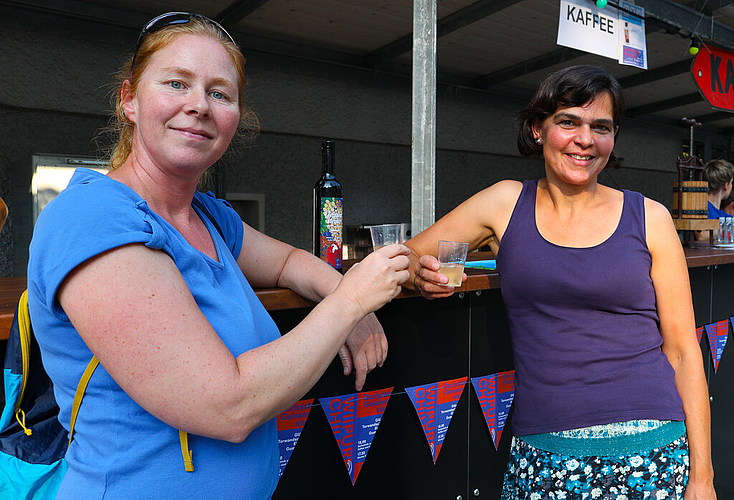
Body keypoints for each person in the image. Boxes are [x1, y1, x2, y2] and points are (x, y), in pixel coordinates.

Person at [26, 12, 409, 498]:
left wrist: (340, 293)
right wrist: (350, 302)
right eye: (176, 83)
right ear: (129, 100)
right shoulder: (92, 217)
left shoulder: (208, 217)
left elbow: (289, 261)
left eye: (219, 93)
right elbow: (226, 406)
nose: (198, 106)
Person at [406, 65, 716, 499]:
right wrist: (414, 276)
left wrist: (703, 479)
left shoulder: (650, 217)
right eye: (568, 121)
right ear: (537, 128)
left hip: (654, 453)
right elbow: (402, 257)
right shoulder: (504, 203)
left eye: (601, 127)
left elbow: (684, 353)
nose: (585, 139)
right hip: (542, 456)